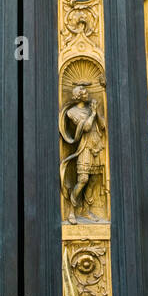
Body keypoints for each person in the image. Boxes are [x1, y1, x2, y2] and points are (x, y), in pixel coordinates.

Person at [59, 84, 105, 223]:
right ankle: (72, 210)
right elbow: (85, 127)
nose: (87, 92)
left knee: (93, 180)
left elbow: (102, 126)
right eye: (83, 90)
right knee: (83, 179)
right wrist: (92, 114)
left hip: (97, 146)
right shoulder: (72, 112)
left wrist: (96, 113)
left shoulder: (91, 109)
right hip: (85, 148)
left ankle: (85, 210)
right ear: (77, 95)